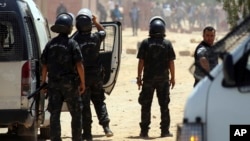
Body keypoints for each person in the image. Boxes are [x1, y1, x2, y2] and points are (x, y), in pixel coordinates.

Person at [41, 13, 86, 141]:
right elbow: (79, 65)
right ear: (69, 28)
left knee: (54, 115)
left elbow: (44, 66)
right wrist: (82, 83)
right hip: (70, 85)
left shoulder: (50, 44)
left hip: (54, 85)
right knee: (76, 114)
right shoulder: (72, 44)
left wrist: (43, 83)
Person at [72, 8, 113, 141]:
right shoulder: (96, 37)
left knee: (85, 106)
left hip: (81, 77)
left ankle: (88, 134)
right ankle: (106, 127)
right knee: (99, 101)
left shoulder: (75, 40)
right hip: (96, 76)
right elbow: (103, 32)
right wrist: (95, 21)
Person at [136, 16, 176, 138]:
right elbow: (171, 62)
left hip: (148, 80)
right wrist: (173, 78)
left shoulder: (145, 43)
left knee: (145, 106)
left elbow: (141, 62)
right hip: (163, 80)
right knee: (164, 106)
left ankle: (144, 131)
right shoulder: (167, 44)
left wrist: (139, 77)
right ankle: (165, 131)